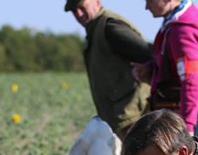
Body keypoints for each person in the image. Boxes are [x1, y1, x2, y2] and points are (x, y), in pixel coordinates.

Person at [65, 0, 152, 139]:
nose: (79, 14)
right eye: (74, 11)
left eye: (82, 7)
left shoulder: (110, 28)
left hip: (133, 115)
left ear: (97, 2)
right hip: (122, 115)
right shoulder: (95, 29)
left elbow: (148, 55)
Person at [133, 0, 198, 139]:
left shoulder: (182, 31)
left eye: (150, 1)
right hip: (181, 113)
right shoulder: (175, 24)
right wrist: (150, 68)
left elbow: (191, 79)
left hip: (181, 116)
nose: (146, 7)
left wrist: (187, 126)